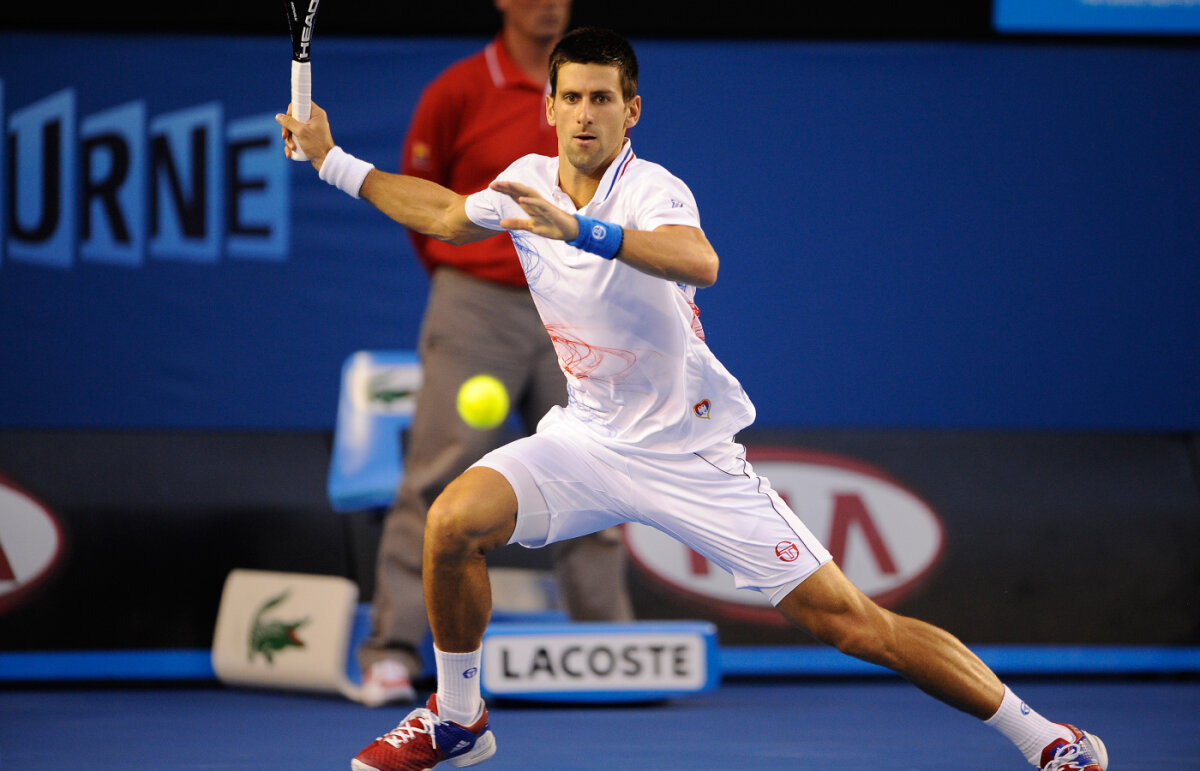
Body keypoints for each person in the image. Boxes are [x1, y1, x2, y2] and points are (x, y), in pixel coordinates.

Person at [277, 26, 1108, 771]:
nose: (585, 114)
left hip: (689, 456)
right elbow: (449, 215)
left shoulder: (652, 190)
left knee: (852, 623)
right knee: (452, 520)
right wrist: (331, 159)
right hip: (586, 442)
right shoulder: (525, 182)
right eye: (570, 98)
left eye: (603, 98)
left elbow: (697, 259)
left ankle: (1047, 737)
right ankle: (459, 716)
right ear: (550, 108)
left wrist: (583, 231)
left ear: (631, 110)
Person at [355, 0, 634, 709]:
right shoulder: (455, 89)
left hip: (575, 311)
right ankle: (389, 653)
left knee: (598, 479)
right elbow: (433, 209)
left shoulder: (591, 87)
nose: (546, 3)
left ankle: (611, 650)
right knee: (436, 481)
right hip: (477, 307)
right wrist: (471, 282)